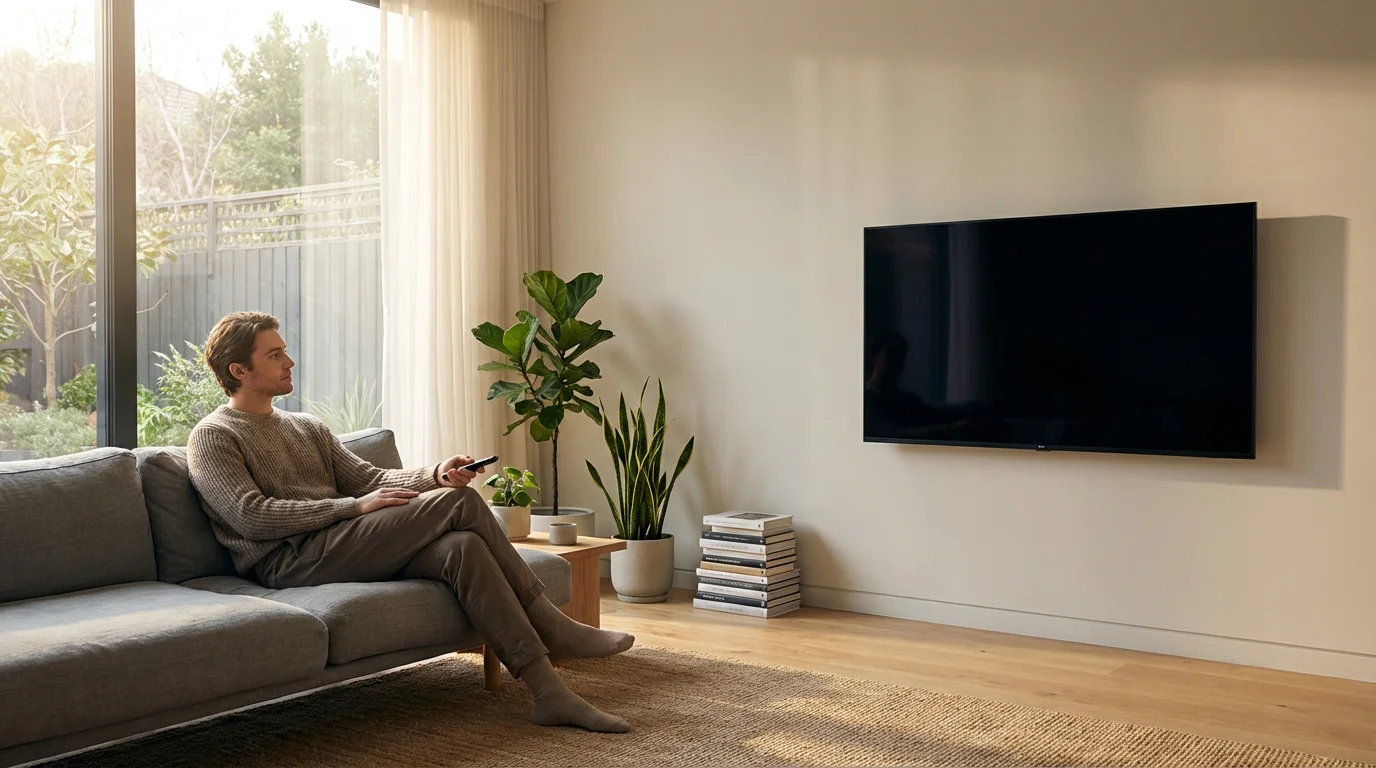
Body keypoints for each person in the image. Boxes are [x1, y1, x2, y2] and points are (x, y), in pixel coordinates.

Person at [186, 312, 633, 733]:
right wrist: (351, 508)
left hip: (341, 544)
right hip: (288, 561)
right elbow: (249, 515)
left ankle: (548, 692)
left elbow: (371, 479)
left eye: (285, 350)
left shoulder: (306, 427)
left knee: (464, 549)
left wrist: (435, 474)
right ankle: (554, 626)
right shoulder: (214, 435)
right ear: (238, 370)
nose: (290, 361)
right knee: (462, 503)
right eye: (274, 355)